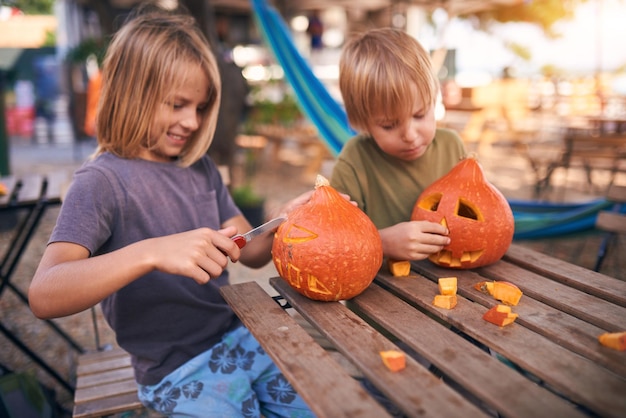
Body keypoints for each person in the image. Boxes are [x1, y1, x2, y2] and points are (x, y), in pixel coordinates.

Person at [28, 6, 316, 418]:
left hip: (240, 338)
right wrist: (150, 252)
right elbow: (43, 293)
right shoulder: (101, 182)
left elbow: (249, 251)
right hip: (176, 370)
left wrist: (283, 221)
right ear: (132, 93)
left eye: (199, 108)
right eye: (178, 104)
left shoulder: (199, 170)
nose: (192, 121)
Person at [330, 28, 467, 263]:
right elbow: (331, 243)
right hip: (379, 295)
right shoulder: (355, 160)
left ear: (434, 99)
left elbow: (477, 213)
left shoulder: (452, 147)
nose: (410, 135)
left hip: (451, 284)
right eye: (389, 125)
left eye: (420, 115)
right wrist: (382, 242)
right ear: (363, 122)